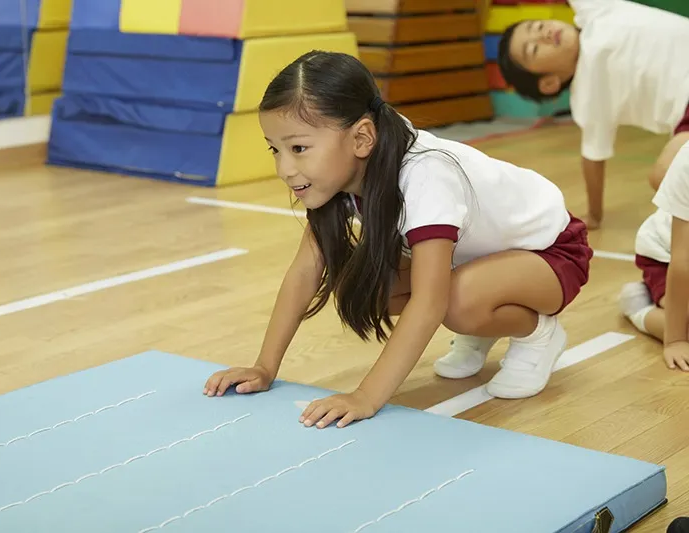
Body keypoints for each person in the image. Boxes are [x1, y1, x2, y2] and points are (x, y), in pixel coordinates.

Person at [203, 51, 592, 429]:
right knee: (369, 286)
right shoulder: (340, 173)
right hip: (476, 258)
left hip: (551, 252)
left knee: (451, 302)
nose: (285, 168)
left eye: (299, 148)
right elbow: (305, 272)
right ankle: (480, 324)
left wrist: (366, 396)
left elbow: (429, 300)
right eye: (276, 149)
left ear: (361, 138)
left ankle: (538, 332)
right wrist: (264, 366)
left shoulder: (425, 175)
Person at [496, 0, 689, 230]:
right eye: (534, 49)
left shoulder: (594, 11)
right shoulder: (587, 99)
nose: (543, 34)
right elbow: (593, 157)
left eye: (537, 26)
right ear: (549, 83)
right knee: (665, 176)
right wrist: (594, 215)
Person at [619, 140, 689, 372]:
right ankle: (638, 306)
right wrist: (675, 341)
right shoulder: (687, 161)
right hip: (666, 256)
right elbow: (683, 260)